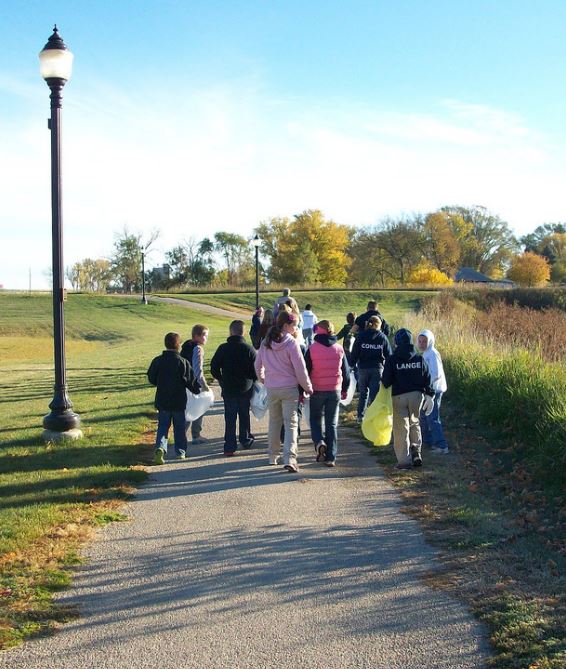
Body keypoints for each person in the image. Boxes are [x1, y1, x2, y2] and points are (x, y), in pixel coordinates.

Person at [254, 310, 313, 473]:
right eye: (294, 325)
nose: (296, 328)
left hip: (272, 388)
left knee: (274, 421)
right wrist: (308, 387)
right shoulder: (291, 343)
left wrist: (263, 379)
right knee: (291, 423)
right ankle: (290, 458)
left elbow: (257, 365)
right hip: (289, 388)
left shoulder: (266, 341)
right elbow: (300, 370)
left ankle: (273, 456)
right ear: (286, 325)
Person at [382, 328, 435, 470]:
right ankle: (416, 451)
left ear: (397, 342)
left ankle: (404, 461)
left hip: (398, 397)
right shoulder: (419, 358)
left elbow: (386, 381)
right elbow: (427, 378)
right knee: (414, 423)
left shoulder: (392, 360)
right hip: (417, 396)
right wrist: (430, 395)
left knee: (400, 428)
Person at [147, 332, 201, 464]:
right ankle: (180, 451)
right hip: (178, 400)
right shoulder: (182, 362)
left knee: (163, 426)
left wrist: (159, 383)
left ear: (165, 344)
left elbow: (151, 377)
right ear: (179, 345)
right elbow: (190, 380)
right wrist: (197, 389)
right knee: (179, 427)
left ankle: (160, 447)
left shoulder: (158, 361)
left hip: (163, 399)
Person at [304, 320, 350, 467]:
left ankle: (319, 442)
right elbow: (346, 372)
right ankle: (331, 457)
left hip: (317, 389)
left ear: (318, 331)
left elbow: (306, 370)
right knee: (331, 423)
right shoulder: (339, 349)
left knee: (315, 419)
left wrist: (303, 389)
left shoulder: (312, 349)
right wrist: (344, 389)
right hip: (334, 390)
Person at [210, 320, 257, 456]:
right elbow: (255, 370)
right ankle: (245, 439)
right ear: (243, 332)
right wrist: (252, 380)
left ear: (230, 332)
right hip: (245, 387)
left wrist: (220, 378)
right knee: (244, 414)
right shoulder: (248, 349)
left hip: (229, 387)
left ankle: (229, 445)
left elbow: (214, 367)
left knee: (230, 417)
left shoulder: (223, 348)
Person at [350, 315, 392, 423]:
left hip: (363, 368)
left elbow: (355, 352)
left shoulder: (361, 336)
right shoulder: (382, 337)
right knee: (375, 395)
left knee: (363, 393)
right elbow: (389, 355)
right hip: (377, 369)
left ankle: (360, 416)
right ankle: (373, 417)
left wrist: (351, 365)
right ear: (379, 325)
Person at [417, 329, 449, 454]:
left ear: (430, 342)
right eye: (419, 341)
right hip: (427, 391)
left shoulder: (432, 354)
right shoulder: (425, 354)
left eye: (424, 341)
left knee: (432, 418)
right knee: (424, 416)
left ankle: (442, 445)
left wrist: (426, 386)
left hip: (434, 390)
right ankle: (428, 441)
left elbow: (435, 374)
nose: (421, 344)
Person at [180, 324, 210, 445]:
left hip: (184, 383)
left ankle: (181, 435)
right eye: (205, 336)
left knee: (187, 409)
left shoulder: (186, 346)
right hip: (194, 384)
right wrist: (204, 386)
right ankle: (196, 435)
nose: (206, 339)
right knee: (199, 408)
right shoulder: (197, 349)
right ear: (197, 336)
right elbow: (198, 370)